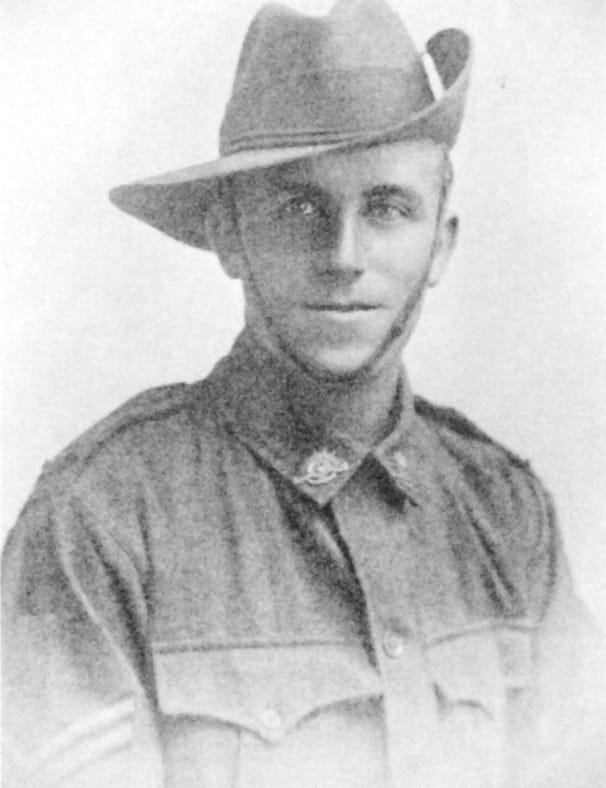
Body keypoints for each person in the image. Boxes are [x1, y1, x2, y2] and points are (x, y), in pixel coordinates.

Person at [2, 1, 603, 786]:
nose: (344, 255)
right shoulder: (104, 518)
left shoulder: (505, 512)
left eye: (387, 208)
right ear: (229, 237)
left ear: (440, 244)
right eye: (299, 209)